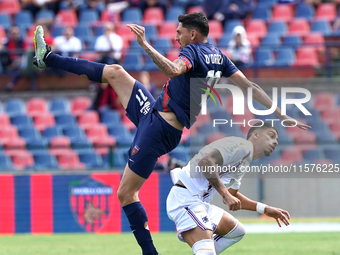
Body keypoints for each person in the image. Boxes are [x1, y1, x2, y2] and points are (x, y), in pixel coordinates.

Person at [32, 12, 309, 255]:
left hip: (158, 130)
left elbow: (172, 69)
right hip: (154, 113)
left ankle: (150, 252)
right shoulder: (219, 56)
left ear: (192, 33)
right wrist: (282, 114)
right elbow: (250, 86)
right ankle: (47, 57)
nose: (176, 38)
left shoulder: (193, 52)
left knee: (126, 194)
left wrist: (144, 44)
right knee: (116, 72)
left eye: (178, 33)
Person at [167, 122, 290, 255]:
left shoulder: (243, 163)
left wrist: (264, 209)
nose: (275, 142)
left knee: (236, 232)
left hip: (199, 203)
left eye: (277, 139)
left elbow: (232, 196)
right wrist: (226, 195)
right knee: (207, 253)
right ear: (256, 134)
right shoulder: (240, 146)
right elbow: (206, 162)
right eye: (271, 136)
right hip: (185, 199)